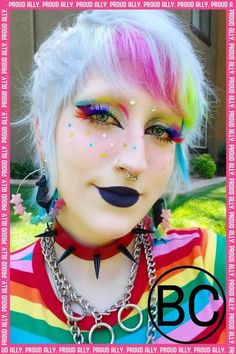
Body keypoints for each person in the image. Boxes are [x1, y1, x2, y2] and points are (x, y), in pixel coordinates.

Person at [10, 10, 226, 345]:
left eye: (160, 130)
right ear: (42, 134)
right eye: (102, 116)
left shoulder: (211, 268)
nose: (135, 161)